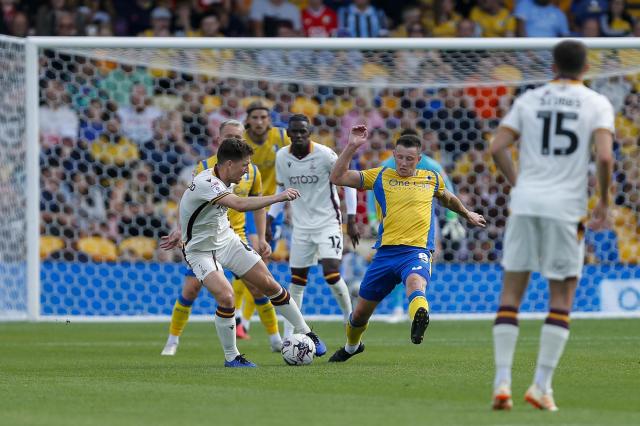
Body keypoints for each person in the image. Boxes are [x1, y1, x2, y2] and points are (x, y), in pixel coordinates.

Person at [489, 40, 614, 411]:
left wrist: (518, 183)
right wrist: (604, 201)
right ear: (586, 65)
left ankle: (502, 384)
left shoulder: (530, 98)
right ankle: (541, 386)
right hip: (565, 209)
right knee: (561, 297)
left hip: (526, 202)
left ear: (553, 64)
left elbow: (497, 147)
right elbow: (605, 156)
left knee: (511, 293)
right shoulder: (596, 102)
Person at [327, 126, 486, 362]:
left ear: (418, 159)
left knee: (415, 282)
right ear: (394, 155)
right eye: (399, 157)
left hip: (416, 251)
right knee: (360, 314)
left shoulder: (431, 178)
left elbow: (448, 198)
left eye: (409, 159)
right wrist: (352, 146)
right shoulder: (381, 175)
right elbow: (337, 177)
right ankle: (352, 346)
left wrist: (466, 214)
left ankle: (419, 317)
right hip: (385, 254)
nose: (403, 163)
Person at [173, 137, 326, 367]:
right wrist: (280, 196)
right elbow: (240, 205)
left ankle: (306, 332)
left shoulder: (227, 179)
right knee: (226, 297)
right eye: (244, 165)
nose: (247, 171)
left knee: (270, 285)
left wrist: (179, 230)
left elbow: (193, 209)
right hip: (201, 251)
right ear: (228, 165)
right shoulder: (207, 182)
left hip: (227, 241)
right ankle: (231, 357)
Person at [160, 120, 283, 355]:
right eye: (229, 137)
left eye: (238, 137)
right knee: (191, 289)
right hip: (205, 239)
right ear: (219, 141)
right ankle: (172, 340)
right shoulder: (204, 168)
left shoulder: (252, 170)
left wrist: (261, 236)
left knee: (258, 287)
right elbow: (188, 201)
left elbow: (257, 206)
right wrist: (179, 229)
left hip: (235, 235)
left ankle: (276, 338)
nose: (235, 140)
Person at [267, 114, 360, 337]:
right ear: (288, 133)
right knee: (297, 281)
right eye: (295, 131)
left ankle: (351, 320)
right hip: (300, 227)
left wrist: (352, 218)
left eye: (303, 131)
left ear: (310, 133)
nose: (299, 135)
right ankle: (290, 335)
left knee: (331, 272)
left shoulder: (325, 155)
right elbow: (282, 189)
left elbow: (348, 183)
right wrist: (271, 218)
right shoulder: (281, 156)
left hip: (328, 222)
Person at [380, 128, 466, 320]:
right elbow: (373, 193)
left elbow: (447, 190)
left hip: (424, 221)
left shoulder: (431, 165)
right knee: (397, 265)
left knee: (420, 264)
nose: (404, 162)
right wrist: (372, 218)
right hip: (394, 220)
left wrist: (452, 218)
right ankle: (398, 308)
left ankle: (417, 304)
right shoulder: (387, 166)